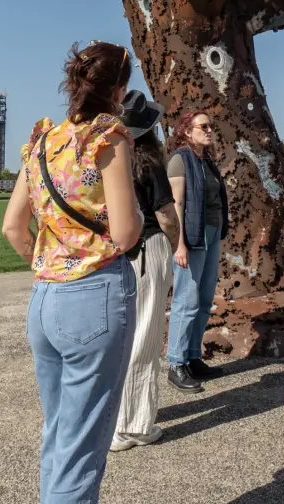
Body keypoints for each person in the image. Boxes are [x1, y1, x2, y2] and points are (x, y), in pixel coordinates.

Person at [2, 41, 143, 504]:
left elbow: (12, 227)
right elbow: (124, 233)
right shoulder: (107, 135)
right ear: (119, 90)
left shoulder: (43, 139)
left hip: (44, 298)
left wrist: (50, 262)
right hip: (94, 294)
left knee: (59, 433)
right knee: (82, 448)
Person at [111, 90, 180, 452]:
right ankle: (133, 424)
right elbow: (166, 216)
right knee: (146, 335)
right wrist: (175, 242)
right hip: (148, 245)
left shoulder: (109, 160)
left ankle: (118, 415)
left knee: (122, 335)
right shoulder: (149, 163)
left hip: (117, 250)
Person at [165, 111, 229, 392]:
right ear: (187, 132)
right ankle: (176, 363)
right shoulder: (181, 160)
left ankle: (192, 356)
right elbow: (176, 204)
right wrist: (180, 244)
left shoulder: (206, 162)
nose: (209, 130)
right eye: (203, 126)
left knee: (203, 300)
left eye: (210, 126)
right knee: (186, 300)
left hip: (212, 233)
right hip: (192, 237)